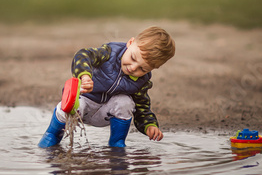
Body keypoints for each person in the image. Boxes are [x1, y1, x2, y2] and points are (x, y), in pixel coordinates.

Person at [38, 26, 175, 148]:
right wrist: (85, 76)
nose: (133, 68)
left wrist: (149, 125)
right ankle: (52, 135)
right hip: (83, 104)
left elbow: (142, 107)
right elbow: (83, 55)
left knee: (125, 102)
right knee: (68, 105)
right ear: (130, 43)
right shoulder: (109, 53)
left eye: (143, 69)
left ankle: (117, 144)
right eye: (133, 58)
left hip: (106, 113)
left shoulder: (142, 82)